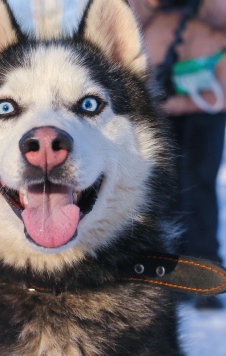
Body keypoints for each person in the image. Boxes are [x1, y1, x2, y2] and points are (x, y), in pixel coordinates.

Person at [129, 0, 226, 308]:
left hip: (205, 102)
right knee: (158, 188)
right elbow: (125, 26)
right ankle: (161, 271)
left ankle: (202, 275)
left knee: (198, 187)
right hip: (159, 99)